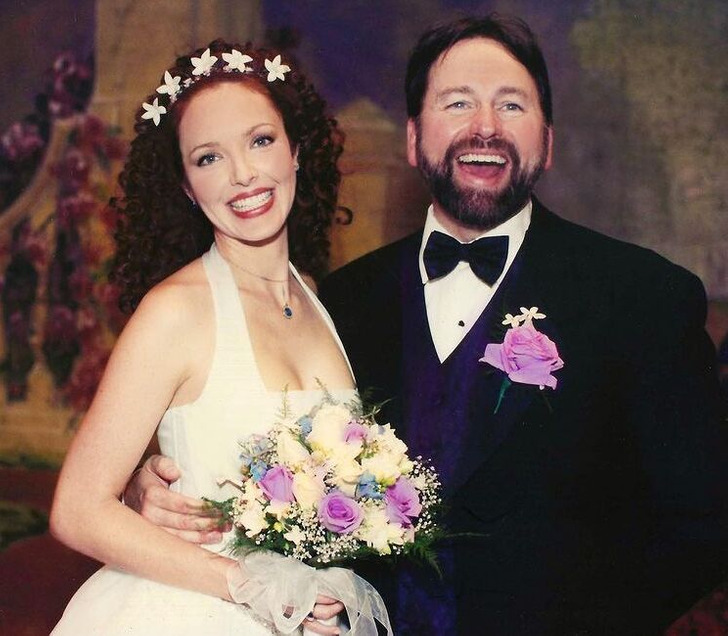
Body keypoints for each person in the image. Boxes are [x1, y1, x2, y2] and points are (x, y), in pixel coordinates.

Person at [127, 15, 728, 635]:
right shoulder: (340, 303)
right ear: (413, 140)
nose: (485, 125)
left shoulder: (643, 297)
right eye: (457, 102)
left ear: (548, 142)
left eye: (511, 104)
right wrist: (151, 491)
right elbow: (257, 444)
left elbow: (704, 525)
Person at [49, 38, 364, 635]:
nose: (242, 174)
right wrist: (253, 587)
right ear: (189, 188)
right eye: (209, 158)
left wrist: (316, 592)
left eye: (260, 141)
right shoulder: (175, 312)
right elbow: (76, 509)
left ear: (296, 151)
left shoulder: (317, 299)